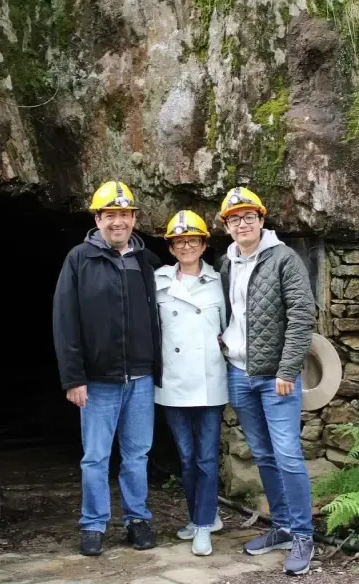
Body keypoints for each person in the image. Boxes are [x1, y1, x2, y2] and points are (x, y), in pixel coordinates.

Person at [52, 181, 161, 557]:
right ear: (97, 219)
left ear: (134, 219)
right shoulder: (79, 259)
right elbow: (65, 321)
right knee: (95, 456)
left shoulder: (145, 260)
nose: (118, 222)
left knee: (137, 455)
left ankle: (137, 520)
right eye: (110, 215)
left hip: (142, 379)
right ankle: (94, 524)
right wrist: (73, 377)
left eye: (125, 215)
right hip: (97, 381)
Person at [217, 186, 317, 576]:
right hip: (239, 374)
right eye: (234, 219)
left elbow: (301, 315)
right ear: (227, 226)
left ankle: (304, 535)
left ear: (261, 220)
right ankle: (281, 527)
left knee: (288, 455)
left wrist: (287, 369)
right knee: (263, 456)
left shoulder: (283, 259)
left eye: (249, 217)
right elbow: (232, 314)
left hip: (275, 378)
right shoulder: (227, 264)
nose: (242, 224)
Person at [154, 210, 227, 557]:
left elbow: (230, 329)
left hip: (210, 381)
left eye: (193, 240)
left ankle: (204, 524)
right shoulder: (158, 282)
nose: (186, 246)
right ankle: (199, 516)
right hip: (173, 383)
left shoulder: (218, 282)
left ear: (203, 245)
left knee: (206, 458)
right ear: (171, 247)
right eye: (180, 241)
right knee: (185, 457)